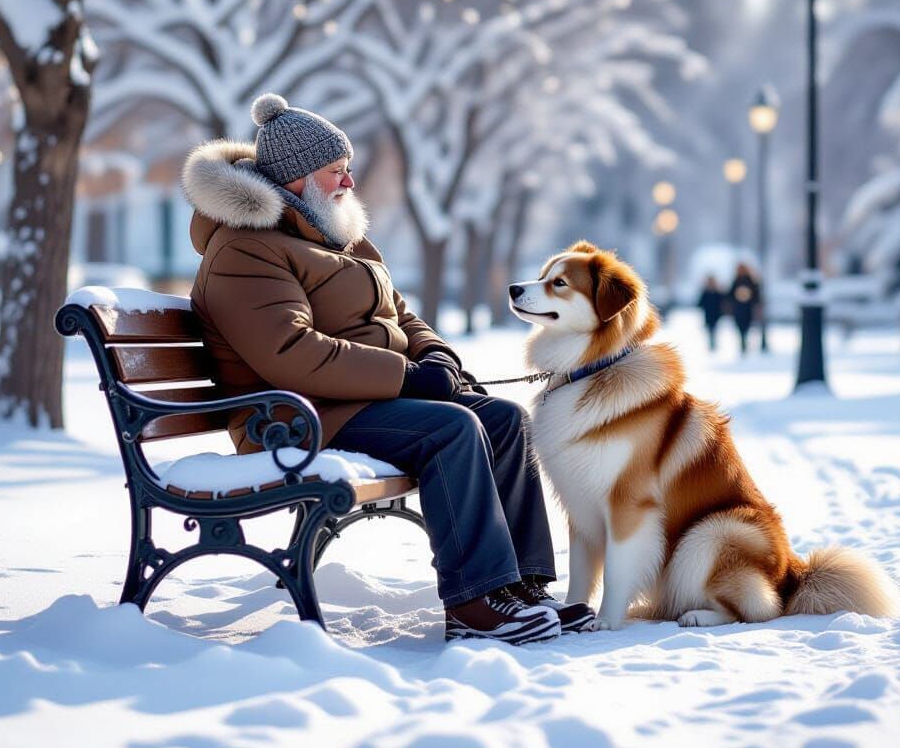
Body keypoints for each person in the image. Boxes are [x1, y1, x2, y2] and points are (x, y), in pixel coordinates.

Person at [182, 93, 594, 644]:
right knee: (452, 430)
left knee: (503, 418)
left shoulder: (337, 237)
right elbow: (290, 351)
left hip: (358, 400)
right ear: (299, 179)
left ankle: (519, 588)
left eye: (347, 170)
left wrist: (434, 355)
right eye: (336, 172)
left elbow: (399, 312)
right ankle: (475, 602)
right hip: (292, 417)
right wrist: (403, 377)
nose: (349, 183)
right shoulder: (246, 251)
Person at [728, 262, 761, 355]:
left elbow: (756, 295)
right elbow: (730, 294)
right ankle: (742, 341)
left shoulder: (751, 281)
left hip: (747, 308)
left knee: (747, 325)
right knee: (740, 326)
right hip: (738, 308)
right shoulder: (736, 281)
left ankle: (744, 341)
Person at [697, 274, 725, 351]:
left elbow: (723, 301)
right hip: (708, 314)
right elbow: (700, 303)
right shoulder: (705, 292)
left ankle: (713, 343)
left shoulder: (718, 292)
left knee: (714, 329)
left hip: (716, 314)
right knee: (710, 329)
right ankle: (712, 343)